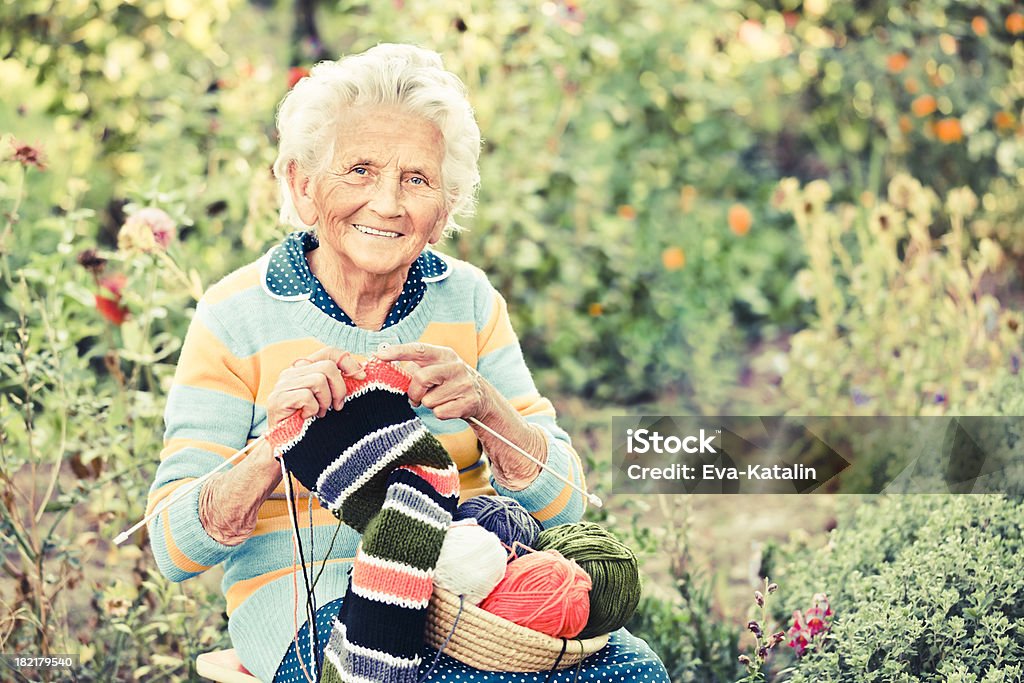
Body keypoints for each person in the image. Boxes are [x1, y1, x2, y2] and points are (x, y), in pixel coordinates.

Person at [146, 44, 669, 683]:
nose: (389, 203)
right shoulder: (235, 313)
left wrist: (486, 406)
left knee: (631, 670)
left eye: (417, 179)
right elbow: (170, 546)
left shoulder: (469, 300)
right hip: (301, 598)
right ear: (302, 184)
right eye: (359, 169)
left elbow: (565, 505)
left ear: (445, 207)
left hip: (467, 586)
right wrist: (270, 449)